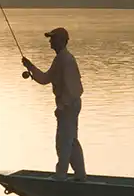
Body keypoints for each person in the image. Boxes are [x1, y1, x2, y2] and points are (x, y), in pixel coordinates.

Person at [22, 27, 86, 180]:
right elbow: (45, 79)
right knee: (71, 141)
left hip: (69, 106)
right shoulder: (60, 59)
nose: (50, 42)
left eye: (53, 38)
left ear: (62, 41)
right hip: (68, 105)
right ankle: (80, 175)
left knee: (63, 141)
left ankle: (60, 176)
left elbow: (74, 89)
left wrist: (63, 106)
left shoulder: (67, 60)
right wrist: (30, 67)